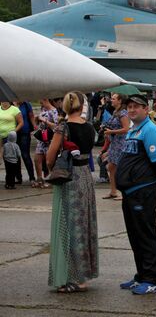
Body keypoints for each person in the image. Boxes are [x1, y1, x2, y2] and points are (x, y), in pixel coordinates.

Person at [46, 91, 98, 293]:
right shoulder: (89, 127)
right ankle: (85, 274)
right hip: (85, 175)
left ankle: (75, 277)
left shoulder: (63, 126)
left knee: (69, 226)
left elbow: (51, 156)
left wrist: (53, 171)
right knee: (85, 225)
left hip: (69, 176)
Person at [117, 94, 156, 295]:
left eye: (136, 106)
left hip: (142, 191)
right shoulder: (133, 129)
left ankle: (151, 279)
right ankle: (141, 275)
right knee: (135, 235)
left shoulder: (150, 130)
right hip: (130, 192)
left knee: (146, 235)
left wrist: (152, 181)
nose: (131, 110)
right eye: (129, 106)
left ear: (146, 109)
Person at [102, 93, 129, 200]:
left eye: (113, 99)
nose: (111, 100)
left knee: (120, 168)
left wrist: (111, 131)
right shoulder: (115, 112)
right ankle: (113, 191)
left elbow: (126, 129)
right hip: (115, 143)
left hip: (121, 143)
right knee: (111, 167)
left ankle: (123, 192)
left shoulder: (123, 113)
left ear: (120, 101)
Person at [33, 99, 59, 189]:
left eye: (41, 100)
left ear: (45, 99)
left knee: (49, 161)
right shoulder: (43, 109)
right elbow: (37, 124)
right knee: (37, 159)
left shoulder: (54, 111)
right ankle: (40, 178)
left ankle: (51, 179)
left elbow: (56, 126)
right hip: (41, 138)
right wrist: (37, 120)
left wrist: (45, 121)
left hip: (50, 139)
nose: (40, 102)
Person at [14, 101, 35, 184]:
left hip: (24, 132)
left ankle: (32, 177)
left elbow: (31, 116)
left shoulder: (26, 104)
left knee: (25, 155)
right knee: (15, 156)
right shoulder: (11, 104)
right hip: (14, 132)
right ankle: (18, 177)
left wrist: (34, 125)